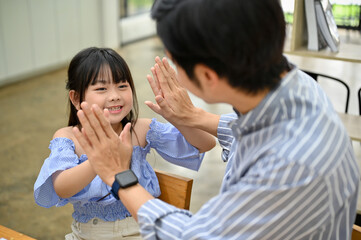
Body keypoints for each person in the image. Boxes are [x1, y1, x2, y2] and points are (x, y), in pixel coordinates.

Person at [73, 0, 360, 239]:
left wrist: (119, 177)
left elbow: (197, 236)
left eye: (174, 61)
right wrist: (194, 117)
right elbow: (261, 131)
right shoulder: (300, 87)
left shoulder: (288, 165)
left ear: (208, 77)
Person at [33, 47, 216, 240]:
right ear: (76, 98)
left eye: (122, 85)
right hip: (87, 235)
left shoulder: (140, 129)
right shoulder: (68, 137)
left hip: (140, 231)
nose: (114, 95)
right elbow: (62, 187)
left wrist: (179, 117)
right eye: (101, 88)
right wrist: (99, 161)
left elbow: (205, 144)